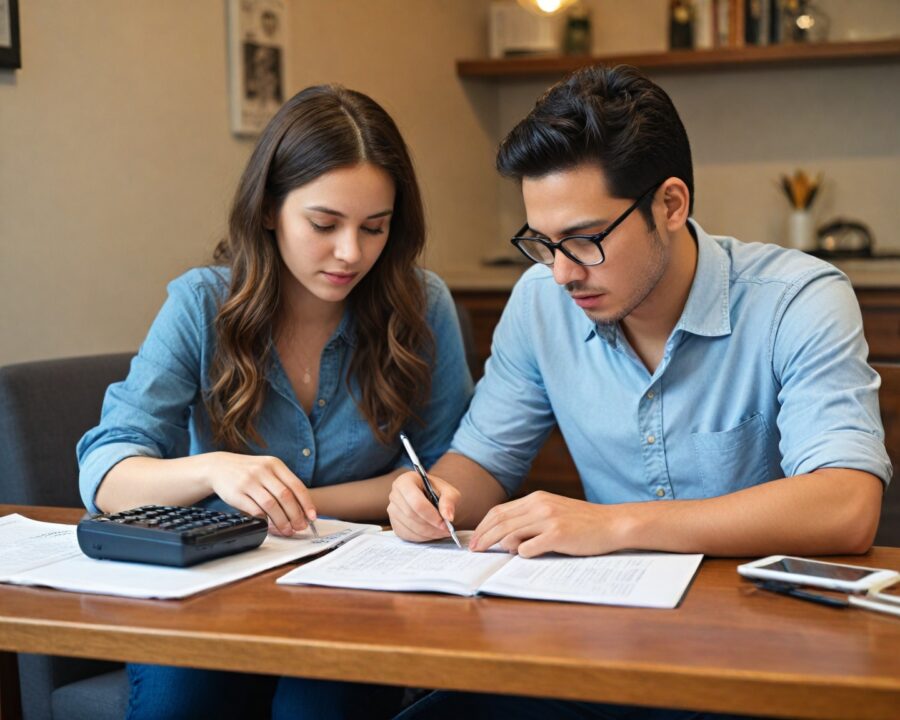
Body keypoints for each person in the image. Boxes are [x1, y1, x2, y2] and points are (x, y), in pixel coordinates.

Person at [388, 65, 890, 719]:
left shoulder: (798, 299)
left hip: (766, 649)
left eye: (585, 240)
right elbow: (482, 464)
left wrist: (615, 524)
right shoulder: (541, 302)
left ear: (671, 205)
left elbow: (848, 506)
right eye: (542, 243)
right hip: (605, 643)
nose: (563, 273)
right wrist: (429, 494)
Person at [77, 84, 472, 720]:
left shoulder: (422, 306)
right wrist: (215, 470)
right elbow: (105, 473)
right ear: (268, 210)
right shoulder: (202, 305)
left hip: (358, 595)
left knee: (322, 705)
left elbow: (450, 470)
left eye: (375, 228)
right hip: (212, 590)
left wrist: (326, 503)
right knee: (183, 704)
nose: (351, 253)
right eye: (324, 224)